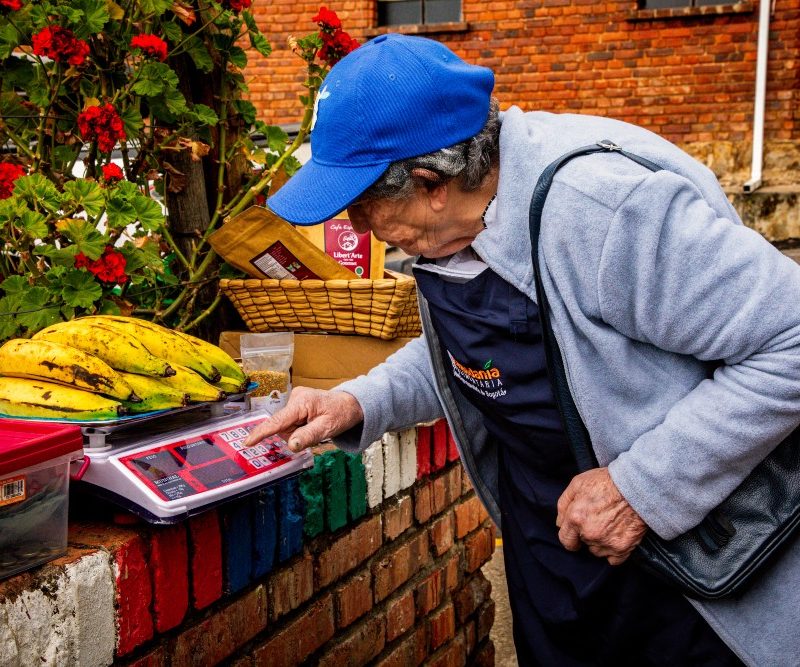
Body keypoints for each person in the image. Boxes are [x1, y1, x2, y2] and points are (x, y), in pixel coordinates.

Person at [245, 33, 800, 665]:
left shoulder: (605, 212)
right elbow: (473, 356)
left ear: (431, 182)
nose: (355, 229)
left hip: (687, 571)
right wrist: (357, 401)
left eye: (364, 206)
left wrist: (641, 489)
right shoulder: (455, 222)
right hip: (553, 552)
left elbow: (792, 339)